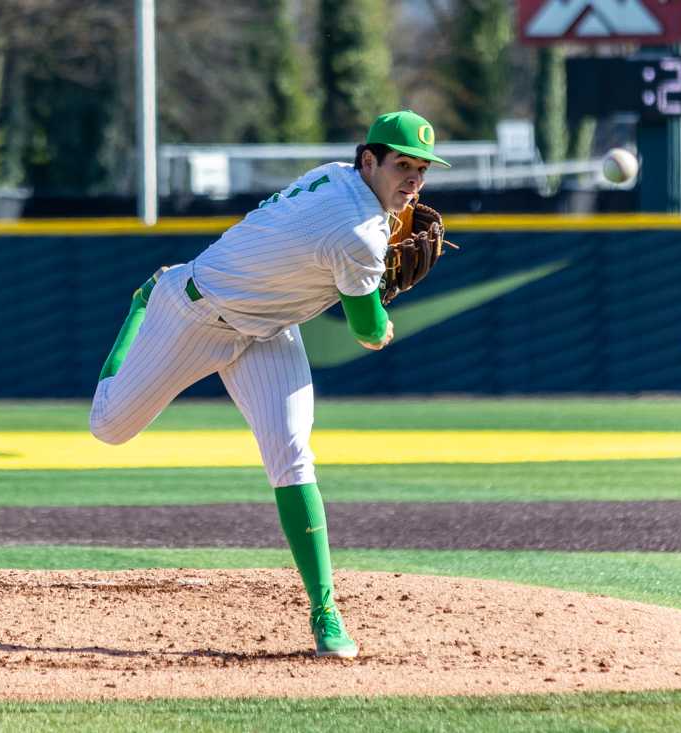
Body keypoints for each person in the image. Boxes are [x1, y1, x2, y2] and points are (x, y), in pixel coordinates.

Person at [89, 110, 450, 658]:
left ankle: (326, 612)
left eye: (422, 170)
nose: (413, 181)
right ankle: (141, 302)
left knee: (293, 457)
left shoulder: (334, 174)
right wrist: (381, 311)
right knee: (108, 429)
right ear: (368, 160)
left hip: (268, 329)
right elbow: (369, 333)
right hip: (191, 313)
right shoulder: (357, 235)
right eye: (402, 165)